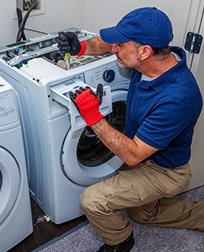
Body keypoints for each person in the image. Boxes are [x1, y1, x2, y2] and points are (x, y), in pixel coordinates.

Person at [58, 7, 204, 252]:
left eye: (121, 45)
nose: (114, 49)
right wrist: (80, 48)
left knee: (93, 201)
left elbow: (133, 154)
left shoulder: (179, 97)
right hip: (144, 156)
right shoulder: (152, 61)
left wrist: (92, 116)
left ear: (145, 51)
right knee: (142, 215)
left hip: (165, 171)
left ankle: (121, 241)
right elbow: (106, 43)